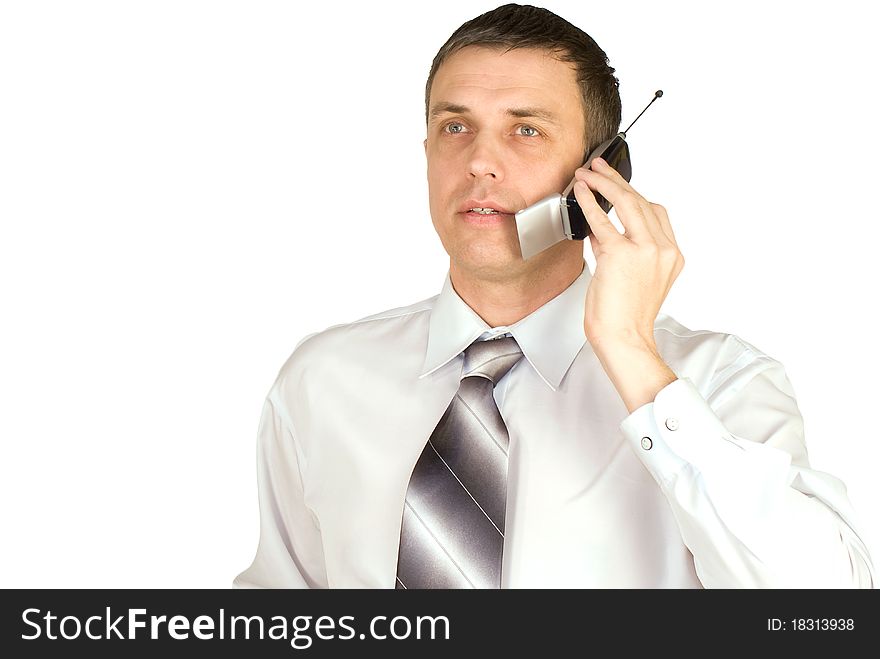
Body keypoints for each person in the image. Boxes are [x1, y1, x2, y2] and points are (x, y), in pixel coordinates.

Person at [233, 3, 874, 588]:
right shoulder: (323, 379)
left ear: (602, 174)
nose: (480, 160)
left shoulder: (718, 381)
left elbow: (829, 609)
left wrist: (630, 352)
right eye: (455, 127)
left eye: (526, 131)